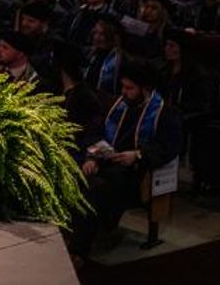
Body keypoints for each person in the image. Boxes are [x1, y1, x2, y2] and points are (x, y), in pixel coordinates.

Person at [67, 61, 181, 263]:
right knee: (74, 175)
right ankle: (71, 237)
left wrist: (137, 155)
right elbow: (94, 132)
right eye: (123, 86)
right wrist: (92, 156)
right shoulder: (118, 106)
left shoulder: (163, 113)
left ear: (144, 89)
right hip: (106, 163)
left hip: (136, 174)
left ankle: (78, 250)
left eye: (129, 88)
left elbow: (168, 148)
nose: (123, 92)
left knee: (95, 189)